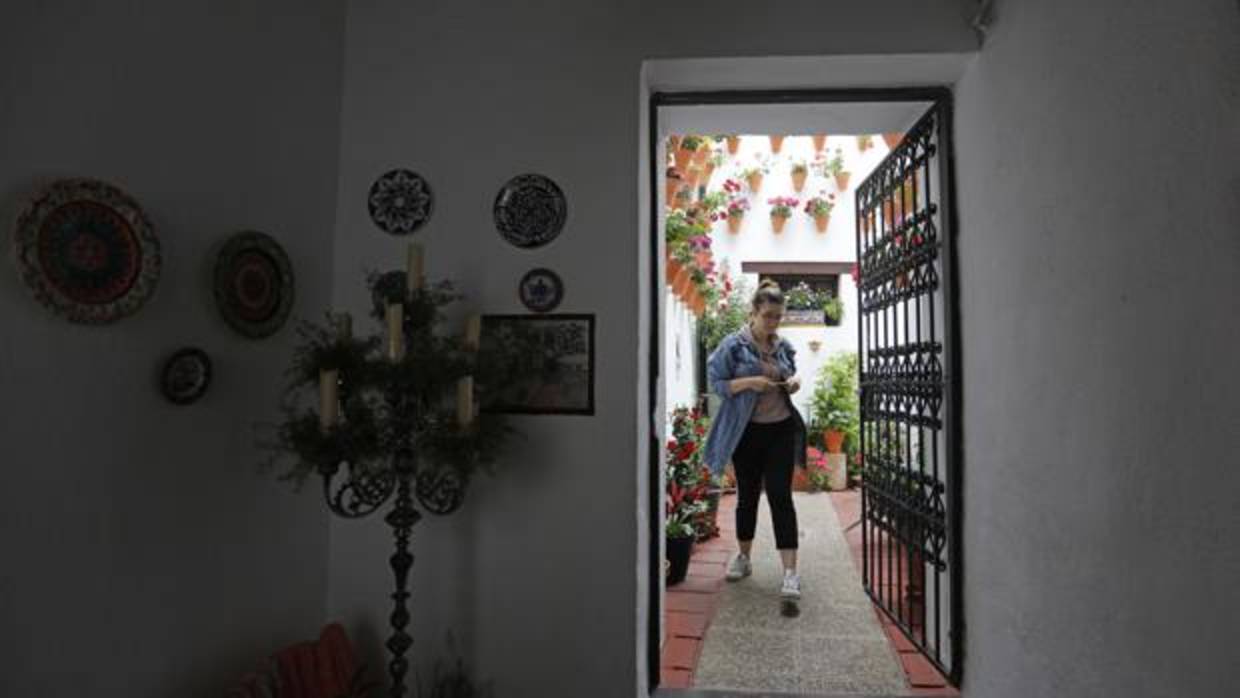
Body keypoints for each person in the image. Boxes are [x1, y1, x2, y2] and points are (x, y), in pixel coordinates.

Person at [702, 279, 808, 600]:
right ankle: (744, 557)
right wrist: (749, 382)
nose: (773, 323)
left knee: (780, 496)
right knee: (747, 496)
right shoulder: (733, 346)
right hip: (746, 432)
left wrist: (793, 383)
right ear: (753, 313)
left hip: (780, 430)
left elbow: (791, 375)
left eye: (778, 317)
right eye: (768, 316)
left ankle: (790, 573)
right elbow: (717, 384)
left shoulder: (783, 346)